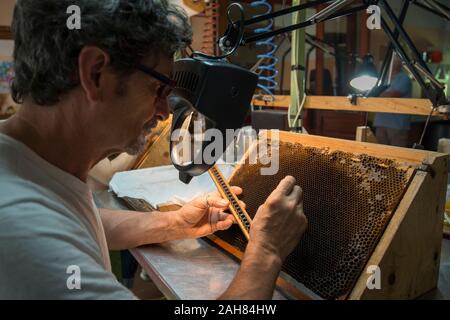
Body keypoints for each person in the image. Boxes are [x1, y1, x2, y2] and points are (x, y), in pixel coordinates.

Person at [0, 0, 307, 299]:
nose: (164, 111)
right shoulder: (25, 233)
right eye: (159, 88)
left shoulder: (27, 165)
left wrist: (177, 223)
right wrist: (266, 253)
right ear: (95, 73)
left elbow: (86, 223)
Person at [374, 54, 413, 147]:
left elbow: (393, 95)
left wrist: (376, 94)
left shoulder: (404, 78)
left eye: (396, 60)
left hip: (397, 125)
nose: (393, 63)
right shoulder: (383, 78)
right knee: (379, 153)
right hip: (381, 122)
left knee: (397, 154)